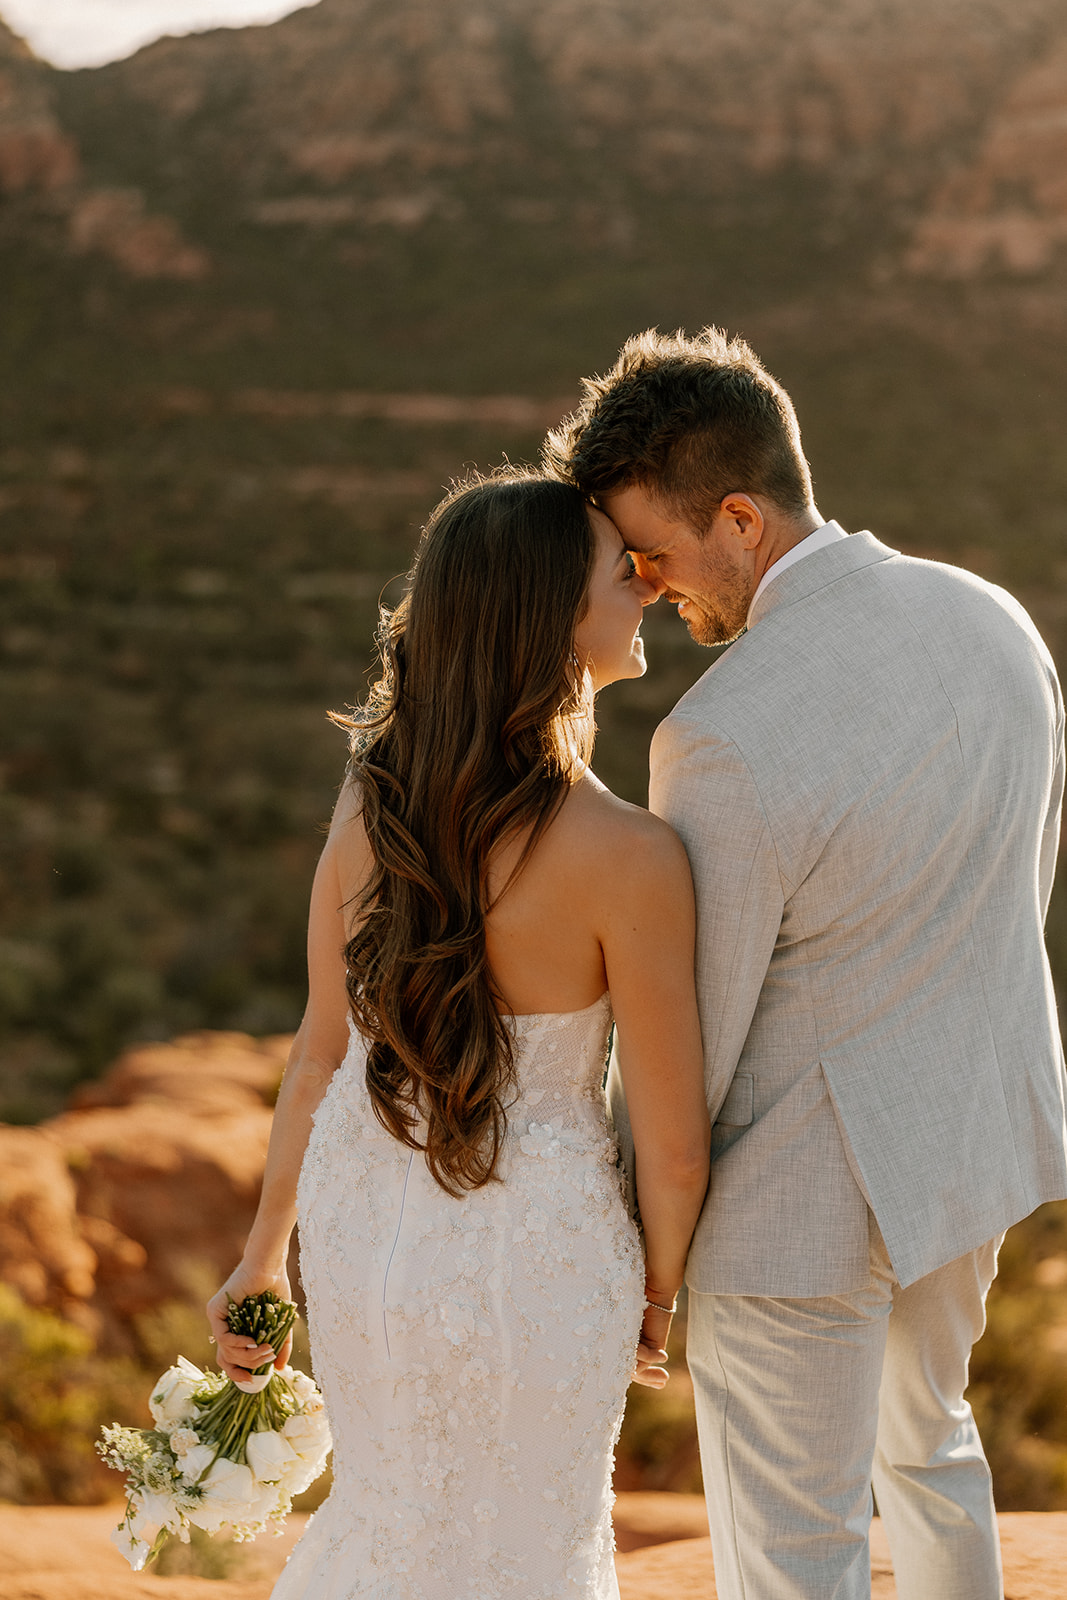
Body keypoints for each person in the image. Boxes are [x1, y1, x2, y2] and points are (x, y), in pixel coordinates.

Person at [544, 327, 1067, 1600]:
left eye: (653, 554)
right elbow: (1015, 881)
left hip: (798, 1207)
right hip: (969, 1141)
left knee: (794, 1556)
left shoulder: (719, 734)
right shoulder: (991, 617)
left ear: (738, 515)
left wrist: (645, 1258)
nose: (651, 587)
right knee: (931, 1442)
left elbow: (695, 1036)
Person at [207, 471, 710, 1599]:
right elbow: (671, 1143)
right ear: (550, 616)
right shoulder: (632, 858)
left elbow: (319, 1056)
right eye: (615, 571)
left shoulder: (368, 804)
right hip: (540, 1255)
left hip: (366, 1233)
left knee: (391, 1514)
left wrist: (261, 1259)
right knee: (524, 1545)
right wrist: (659, 1296)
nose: (641, 587)